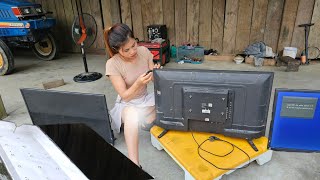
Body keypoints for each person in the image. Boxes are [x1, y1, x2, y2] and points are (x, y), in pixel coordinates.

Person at [103, 23, 160, 166]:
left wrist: (156, 73)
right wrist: (138, 83)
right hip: (126, 104)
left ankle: (146, 120)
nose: (132, 51)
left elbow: (153, 79)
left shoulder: (144, 51)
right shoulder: (112, 64)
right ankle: (134, 163)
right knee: (132, 115)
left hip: (144, 98)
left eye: (134, 45)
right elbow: (125, 95)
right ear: (117, 49)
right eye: (126, 50)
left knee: (169, 98)